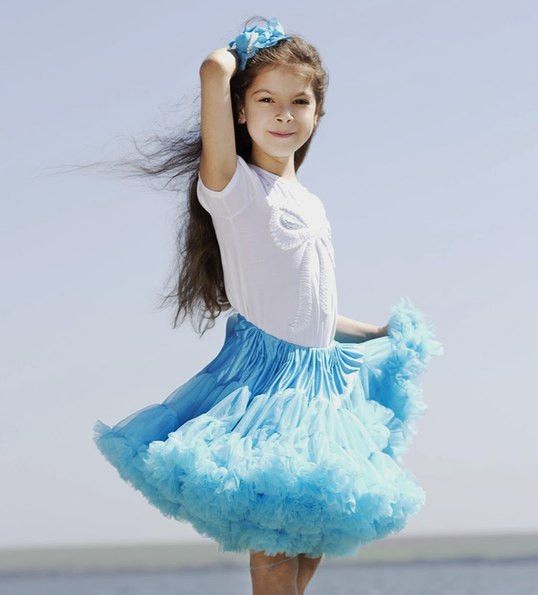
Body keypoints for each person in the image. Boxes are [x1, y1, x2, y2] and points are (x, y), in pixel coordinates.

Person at [93, 16, 443, 595]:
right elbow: (212, 71)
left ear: (317, 113)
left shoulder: (310, 201)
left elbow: (313, 313)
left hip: (321, 393)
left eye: (298, 101)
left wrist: (378, 332)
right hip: (266, 393)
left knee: (305, 560)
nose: (284, 114)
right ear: (238, 111)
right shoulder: (235, 190)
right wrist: (237, 54)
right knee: (276, 568)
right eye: (266, 99)